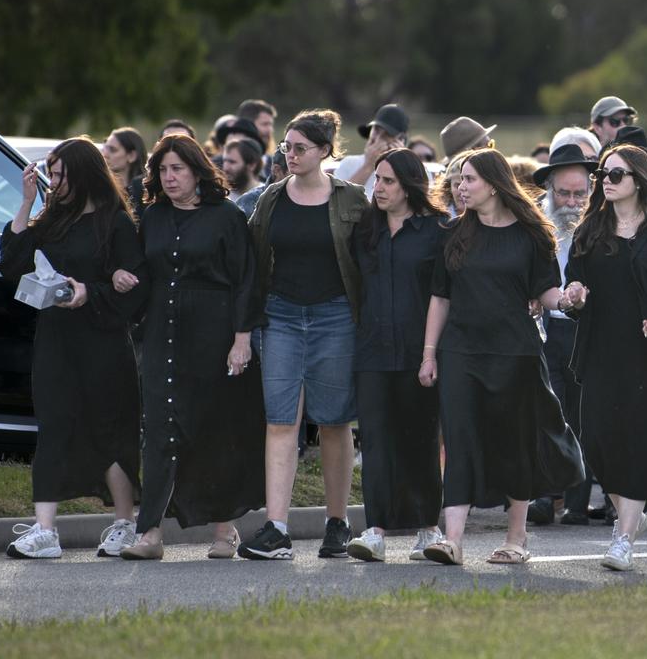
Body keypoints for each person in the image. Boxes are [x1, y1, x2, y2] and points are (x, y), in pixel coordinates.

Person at [418, 148, 583, 566]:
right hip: (460, 352)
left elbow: (545, 291)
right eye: (459, 179)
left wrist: (566, 300)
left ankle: (516, 538)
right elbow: (440, 297)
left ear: (493, 184)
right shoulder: (453, 232)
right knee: (459, 440)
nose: (461, 186)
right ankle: (452, 540)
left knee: (515, 444)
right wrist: (429, 355)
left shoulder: (531, 234)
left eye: (469, 179)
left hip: (516, 353)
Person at [115, 134, 266, 560]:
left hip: (214, 334)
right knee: (159, 431)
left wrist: (241, 339)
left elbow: (245, 280)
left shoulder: (227, 217)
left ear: (198, 171)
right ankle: (150, 534)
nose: (169, 177)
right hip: (161, 333)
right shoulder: (154, 216)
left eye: (177, 169)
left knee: (212, 429)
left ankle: (224, 531)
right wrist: (122, 278)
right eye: (163, 170)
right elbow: (144, 271)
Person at [1, 138, 146, 559]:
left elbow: (135, 292)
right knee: (53, 427)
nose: (55, 181)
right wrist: (26, 202)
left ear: (83, 174)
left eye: (61, 174)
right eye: (51, 173)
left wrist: (91, 292)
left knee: (110, 430)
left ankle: (125, 523)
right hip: (56, 341)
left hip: (103, 343)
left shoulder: (116, 223)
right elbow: (12, 264)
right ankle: (45, 531)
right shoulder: (52, 220)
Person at [238, 110, 368, 560]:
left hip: (336, 315)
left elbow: (367, 262)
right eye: (286, 147)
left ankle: (337, 522)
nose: (290, 155)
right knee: (280, 420)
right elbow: (254, 264)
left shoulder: (352, 199)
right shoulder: (271, 198)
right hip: (281, 316)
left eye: (300, 148)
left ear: (324, 152)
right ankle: (276, 527)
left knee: (334, 420)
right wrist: (244, 327)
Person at [562, 144, 647, 571]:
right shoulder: (590, 230)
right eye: (602, 174)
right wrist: (575, 295)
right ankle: (631, 517)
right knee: (599, 441)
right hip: (601, 349)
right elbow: (574, 282)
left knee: (640, 441)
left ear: (639, 180)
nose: (606, 181)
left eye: (616, 174)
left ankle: (622, 538)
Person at [344, 149, 450, 562]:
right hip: (371, 351)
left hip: (419, 352)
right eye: (378, 180)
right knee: (375, 441)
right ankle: (375, 530)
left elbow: (444, 294)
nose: (379, 188)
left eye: (389, 181)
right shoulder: (364, 230)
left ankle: (428, 527)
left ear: (409, 185)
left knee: (421, 440)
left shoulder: (436, 230)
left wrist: (432, 354)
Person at [526, 144, 599, 526]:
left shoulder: (601, 224)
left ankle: (576, 502)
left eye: (579, 194)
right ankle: (544, 495)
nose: (571, 202)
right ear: (549, 189)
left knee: (582, 414)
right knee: (545, 411)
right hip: (544, 329)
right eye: (564, 193)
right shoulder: (533, 223)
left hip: (587, 330)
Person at [339, 104, 409, 197]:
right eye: (376, 130)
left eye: (387, 134)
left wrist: (401, 165)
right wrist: (368, 165)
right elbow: (340, 199)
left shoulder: (416, 169)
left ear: (400, 140)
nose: (378, 138)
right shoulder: (349, 163)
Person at [101, 127, 147, 218]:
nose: (104, 154)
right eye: (104, 148)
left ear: (132, 156)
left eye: (113, 150)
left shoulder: (144, 193)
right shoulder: (102, 190)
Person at [222, 136, 267, 204]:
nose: (226, 168)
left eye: (232, 162)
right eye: (225, 161)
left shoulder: (266, 197)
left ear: (252, 165)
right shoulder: (222, 197)